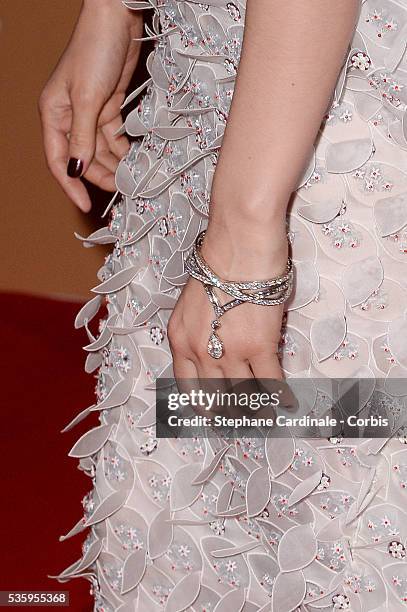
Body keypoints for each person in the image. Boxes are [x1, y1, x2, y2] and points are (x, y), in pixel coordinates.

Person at [40, 0, 407, 610]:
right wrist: (113, 10)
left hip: (323, 168)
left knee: (338, 527)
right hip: (203, 118)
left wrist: (242, 234)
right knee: (204, 514)